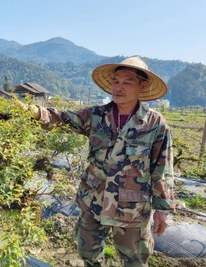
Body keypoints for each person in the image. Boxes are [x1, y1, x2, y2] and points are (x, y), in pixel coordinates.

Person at [20, 56, 174, 266]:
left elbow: (162, 168)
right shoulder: (96, 115)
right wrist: (37, 113)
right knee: (88, 252)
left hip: (131, 208)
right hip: (93, 200)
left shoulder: (155, 124)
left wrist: (162, 210)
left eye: (127, 82)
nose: (118, 87)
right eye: (115, 81)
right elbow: (64, 119)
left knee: (135, 259)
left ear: (142, 85)